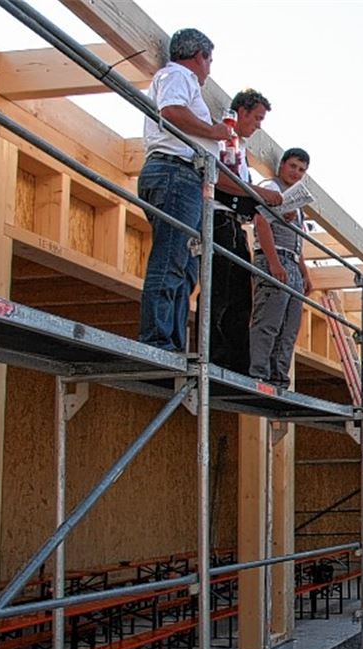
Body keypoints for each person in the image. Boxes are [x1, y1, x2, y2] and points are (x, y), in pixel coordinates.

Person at [138, 28, 233, 353]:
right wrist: (213, 131)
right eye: (210, 61)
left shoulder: (181, 79)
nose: (210, 69)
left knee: (184, 265)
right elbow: (172, 112)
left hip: (182, 177)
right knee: (171, 259)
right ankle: (158, 341)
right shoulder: (178, 76)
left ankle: (171, 342)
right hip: (174, 173)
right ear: (199, 57)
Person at [209, 89, 283, 374]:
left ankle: (236, 365)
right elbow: (218, 177)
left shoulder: (238, 149)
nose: (259, 125)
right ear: (241, 112)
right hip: (218, 220)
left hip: (236, 225)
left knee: (241, 299)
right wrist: (259, 191)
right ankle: (214, 357)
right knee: (220, 293)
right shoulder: (223, 138)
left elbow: (239, 186)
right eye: (257, 118)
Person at [248, 148, 314, 387]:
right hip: (275, 259)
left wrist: (304, 273)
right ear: (282, 165)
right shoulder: (272, 188)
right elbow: (261, 222)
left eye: (301, 170)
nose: (296, 173)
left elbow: (297, 240)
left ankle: (278, 376)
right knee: (269, 321)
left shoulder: (297, 201)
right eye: (293, 166)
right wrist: (274, 262)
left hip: (292, 263)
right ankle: (259, 373)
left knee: (288, 328)